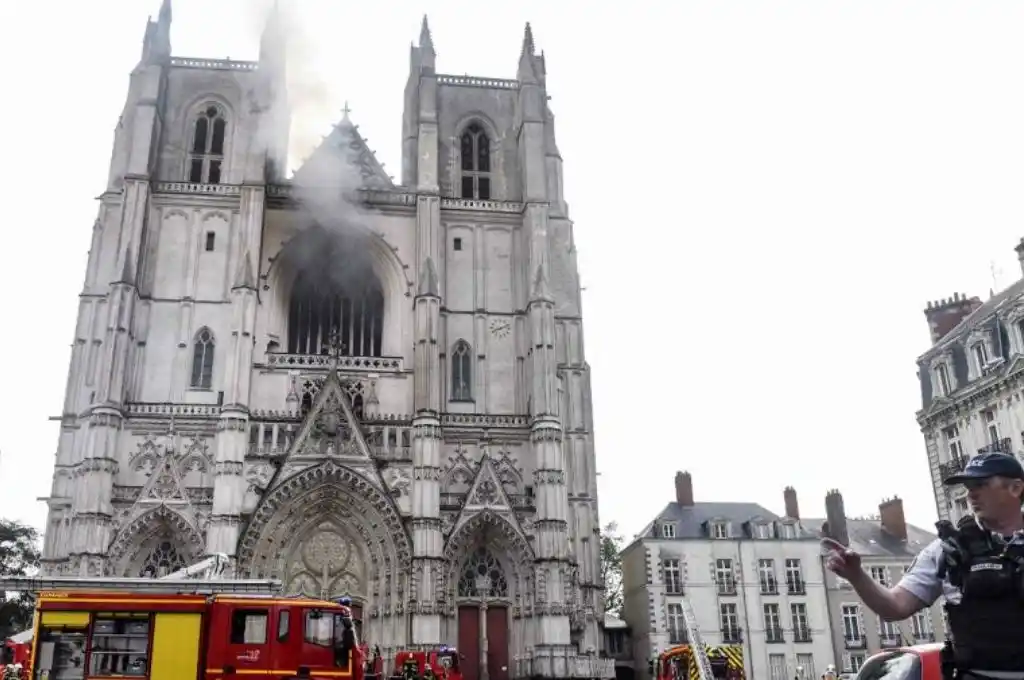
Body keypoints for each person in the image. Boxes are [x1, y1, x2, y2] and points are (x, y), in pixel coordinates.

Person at [821, 451, 1024, 677]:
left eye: (981, 484)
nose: (971, 494)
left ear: (1015, 488)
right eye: (968, 487)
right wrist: (856, 575)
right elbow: (895, 606)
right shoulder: (948, 550)